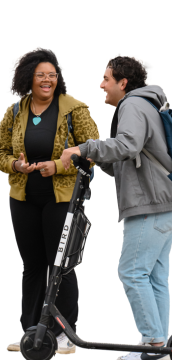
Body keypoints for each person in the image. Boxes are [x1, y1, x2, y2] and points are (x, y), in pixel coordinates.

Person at [61, 54, 172, 360]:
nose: (101, 84)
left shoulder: (133, 104)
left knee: (133, 271)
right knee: (154, 277)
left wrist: (86, 147)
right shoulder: (150, 102)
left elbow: (128, 145)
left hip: (148, 203)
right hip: (163, 201)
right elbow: (132, 157)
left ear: (123, 83)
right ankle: (160, 344)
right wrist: (97, 158)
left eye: (106, 79)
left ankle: (152, 343)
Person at [0, 46, 100, 355]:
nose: (47, 81)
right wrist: (16, 165)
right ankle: (31, 332)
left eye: (52, 75)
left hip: (61, 198)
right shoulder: (15, 111)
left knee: (61, 266)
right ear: (28, 78)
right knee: (33, 266)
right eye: (41, 76)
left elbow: (92, 150)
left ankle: (64, 335)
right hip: (23, 198)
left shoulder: (74, 108)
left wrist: (59, 165)